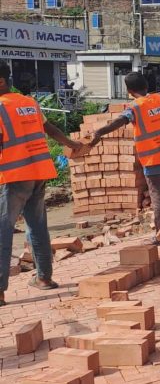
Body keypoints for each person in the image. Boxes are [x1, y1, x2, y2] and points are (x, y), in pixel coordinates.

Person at [0, 62, 84, 305]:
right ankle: (44, 278)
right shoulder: (29, 103)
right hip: (38, 172)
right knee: (37, 225)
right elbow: (49, 129)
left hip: (14, 176)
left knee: (3, 232)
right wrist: (71, 143)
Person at [88, 71, 160, 240]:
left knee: (157, 195)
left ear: (129, 91)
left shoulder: (135, 107)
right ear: (146, 85)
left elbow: (120, 121)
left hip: (152, 160)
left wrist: (100, 132)